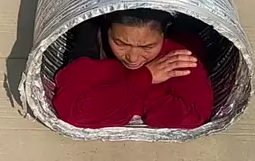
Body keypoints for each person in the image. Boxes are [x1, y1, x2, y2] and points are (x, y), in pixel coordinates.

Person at [51, 9, 213, 130]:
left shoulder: (178, 57)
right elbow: (74, 114)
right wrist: (145, 78)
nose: (133, 58)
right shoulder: (89, 56)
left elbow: (194, 117)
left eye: (147, 47)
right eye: (121, 43)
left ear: (163, 35)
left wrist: (122, 95)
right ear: (108, 30)